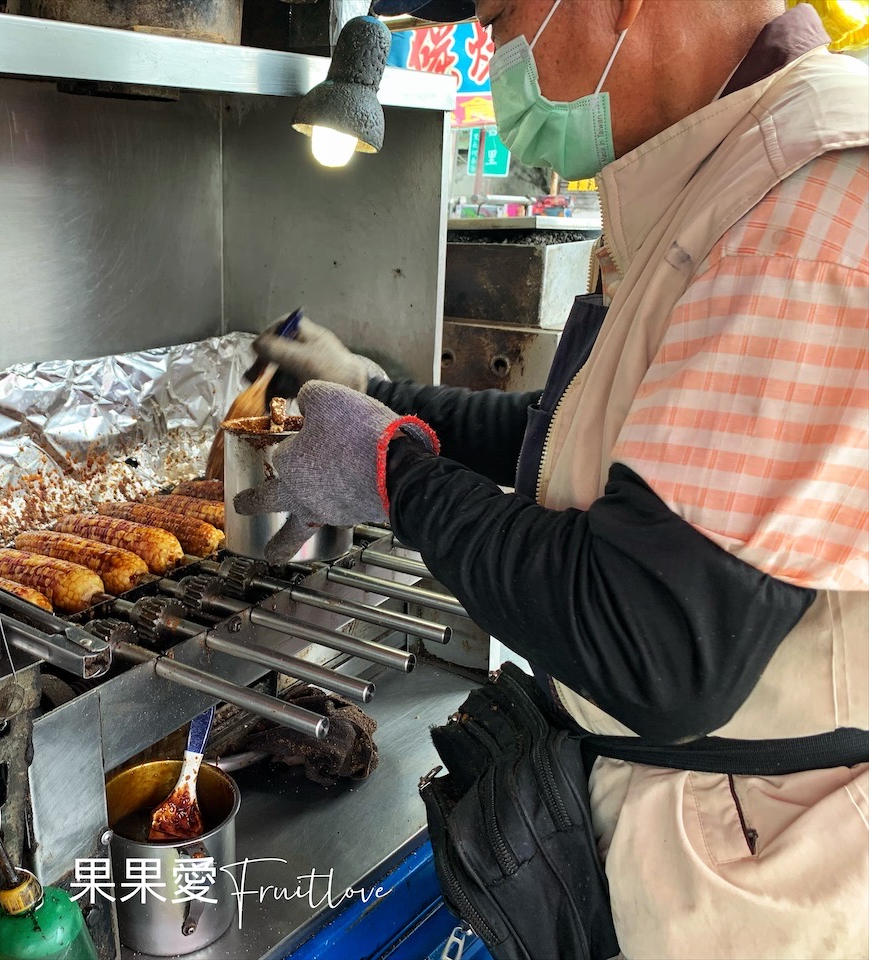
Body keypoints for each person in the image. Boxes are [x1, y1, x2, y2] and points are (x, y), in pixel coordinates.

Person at [235, 0, 869, 956]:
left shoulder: (805, 210)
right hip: (697, 841)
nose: (497, 58)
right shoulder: (721, 173)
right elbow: (592, 442)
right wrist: (384, 392)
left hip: (755, 890)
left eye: (500, 17)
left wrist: (392, 474)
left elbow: (655, 641)